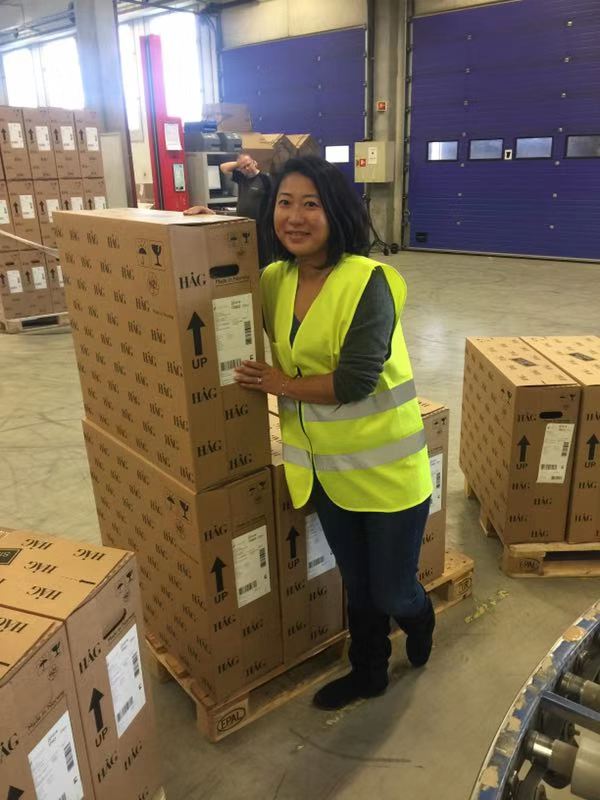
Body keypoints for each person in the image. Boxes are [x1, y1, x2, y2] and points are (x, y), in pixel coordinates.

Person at [233, 155, 434, 711]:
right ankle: (369, 672)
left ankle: (420, 617)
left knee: (392, 590)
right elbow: (226, 262)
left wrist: (279, 383)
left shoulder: (370, 281)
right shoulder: (275, 280)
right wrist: (204, 226)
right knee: (358, 584)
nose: (294, 217)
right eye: (284, 203)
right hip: (324, 472)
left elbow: (355, 381)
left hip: (389, 478)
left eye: (310, 205)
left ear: (337, 212)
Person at [184, 152, 272, 267]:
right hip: (244, 226)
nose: (247, 168)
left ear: (254, 162)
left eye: (249, 164)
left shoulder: (265, 179)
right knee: (247, 257)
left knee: (262, 258)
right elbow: (223, 167)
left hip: (261, 227)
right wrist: (238, 163)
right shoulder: (241, 178)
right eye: (243, 167)